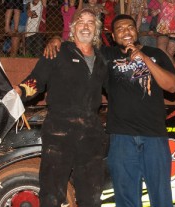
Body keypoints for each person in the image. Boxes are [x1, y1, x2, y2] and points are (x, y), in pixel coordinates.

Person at [44, 14, 175, 207]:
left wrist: (144, 58)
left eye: (130, 27)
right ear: (113, 36)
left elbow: (172, 86)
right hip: (121, 137)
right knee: (126, 198)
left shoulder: (156, 54)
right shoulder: (107, 56)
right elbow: (81, 44)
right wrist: (57, 39)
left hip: (154, 136)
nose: (126, 32)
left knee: (161, 196)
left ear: (136, 31)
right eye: (120, 29)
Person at [15, 8, 108, 207]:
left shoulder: (103, 60)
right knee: (52, 193)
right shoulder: (58, 51)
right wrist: (20, 91)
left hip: (92, 133)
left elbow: (117, 88)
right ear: (72, 28)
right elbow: (37, 80)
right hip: (59, 130)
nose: (85, 26)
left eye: (90, 22)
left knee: (91, 196)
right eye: (80, 22)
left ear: (97, 29)